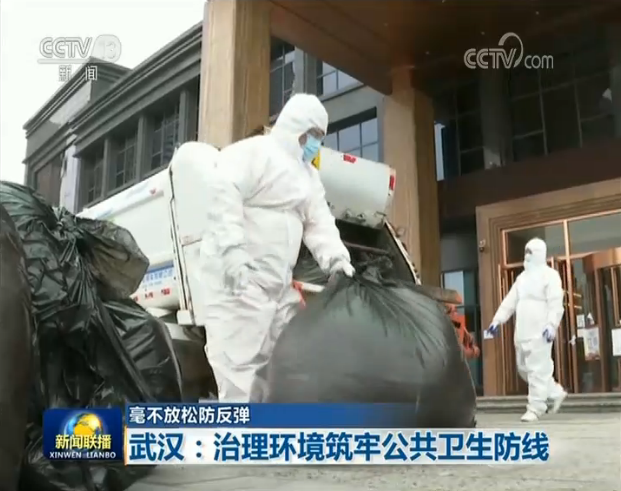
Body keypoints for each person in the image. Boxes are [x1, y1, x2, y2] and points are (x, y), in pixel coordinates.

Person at [199, 93, 355, 402]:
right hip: (240, 284)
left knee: (286, 363)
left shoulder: (308, 177)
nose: (316, 143)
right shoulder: (254, 153)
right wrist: (232, 252)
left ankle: (273, 428)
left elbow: (319, 222)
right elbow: (224, 194)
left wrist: (337, 261)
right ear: (296, 127)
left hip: (277, 287)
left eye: (321, 136)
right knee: (239, 370)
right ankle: (243, 432)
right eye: (313, 134)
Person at [486, 237, 567, 422]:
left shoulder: (550, 276)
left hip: (540, 331)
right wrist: (497, 320)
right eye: (526, 251)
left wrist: (551, 324)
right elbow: (509, 301)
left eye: (531, 252)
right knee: (524, 368)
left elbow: (556, 303)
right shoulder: (522, 278)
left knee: (537, 369)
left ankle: (536, 408)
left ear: (539, 253)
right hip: (522, 331)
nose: (527, 255)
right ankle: (555, 392)